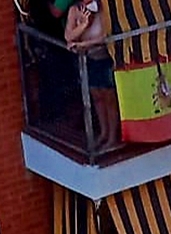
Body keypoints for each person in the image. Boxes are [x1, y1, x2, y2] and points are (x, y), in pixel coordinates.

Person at [65, 0, 120, 150]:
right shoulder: (74, 10)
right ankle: (103, 132)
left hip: (106, 57)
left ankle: (112, 137)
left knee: (109, 97)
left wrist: (83, 45)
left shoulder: (103, 7)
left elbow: (105, 35)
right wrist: (83, 25)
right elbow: (69, 36)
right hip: (89, 59)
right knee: (97, 96)